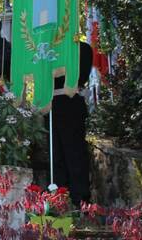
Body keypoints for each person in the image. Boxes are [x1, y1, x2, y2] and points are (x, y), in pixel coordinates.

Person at [51, 42, 93, 206]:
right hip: (54, 104)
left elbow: (81, 75)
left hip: (70, 102)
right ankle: (60, 199)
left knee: (74, 152)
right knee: (57, 154)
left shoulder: (80, 49)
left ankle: (79, 199)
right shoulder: (52, 47)